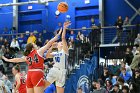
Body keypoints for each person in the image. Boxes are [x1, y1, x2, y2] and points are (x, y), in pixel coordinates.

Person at [45, 22, 71, 93]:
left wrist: (64, 28)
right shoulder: (55, 53)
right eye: (60, 42)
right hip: (54, 70)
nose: (61, 43)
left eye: (62, 43)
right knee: (42, 87)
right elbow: (47, 56)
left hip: (62, 71)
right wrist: (51, 47)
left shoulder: (65, 51)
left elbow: (63, 38)